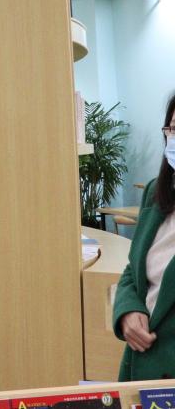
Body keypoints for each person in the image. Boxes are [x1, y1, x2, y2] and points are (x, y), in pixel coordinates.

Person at [113, 94, 175, 379]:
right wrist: (127, 311)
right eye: (173, 129)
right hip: (141, 366)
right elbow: (133, 271)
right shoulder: (156, 192)